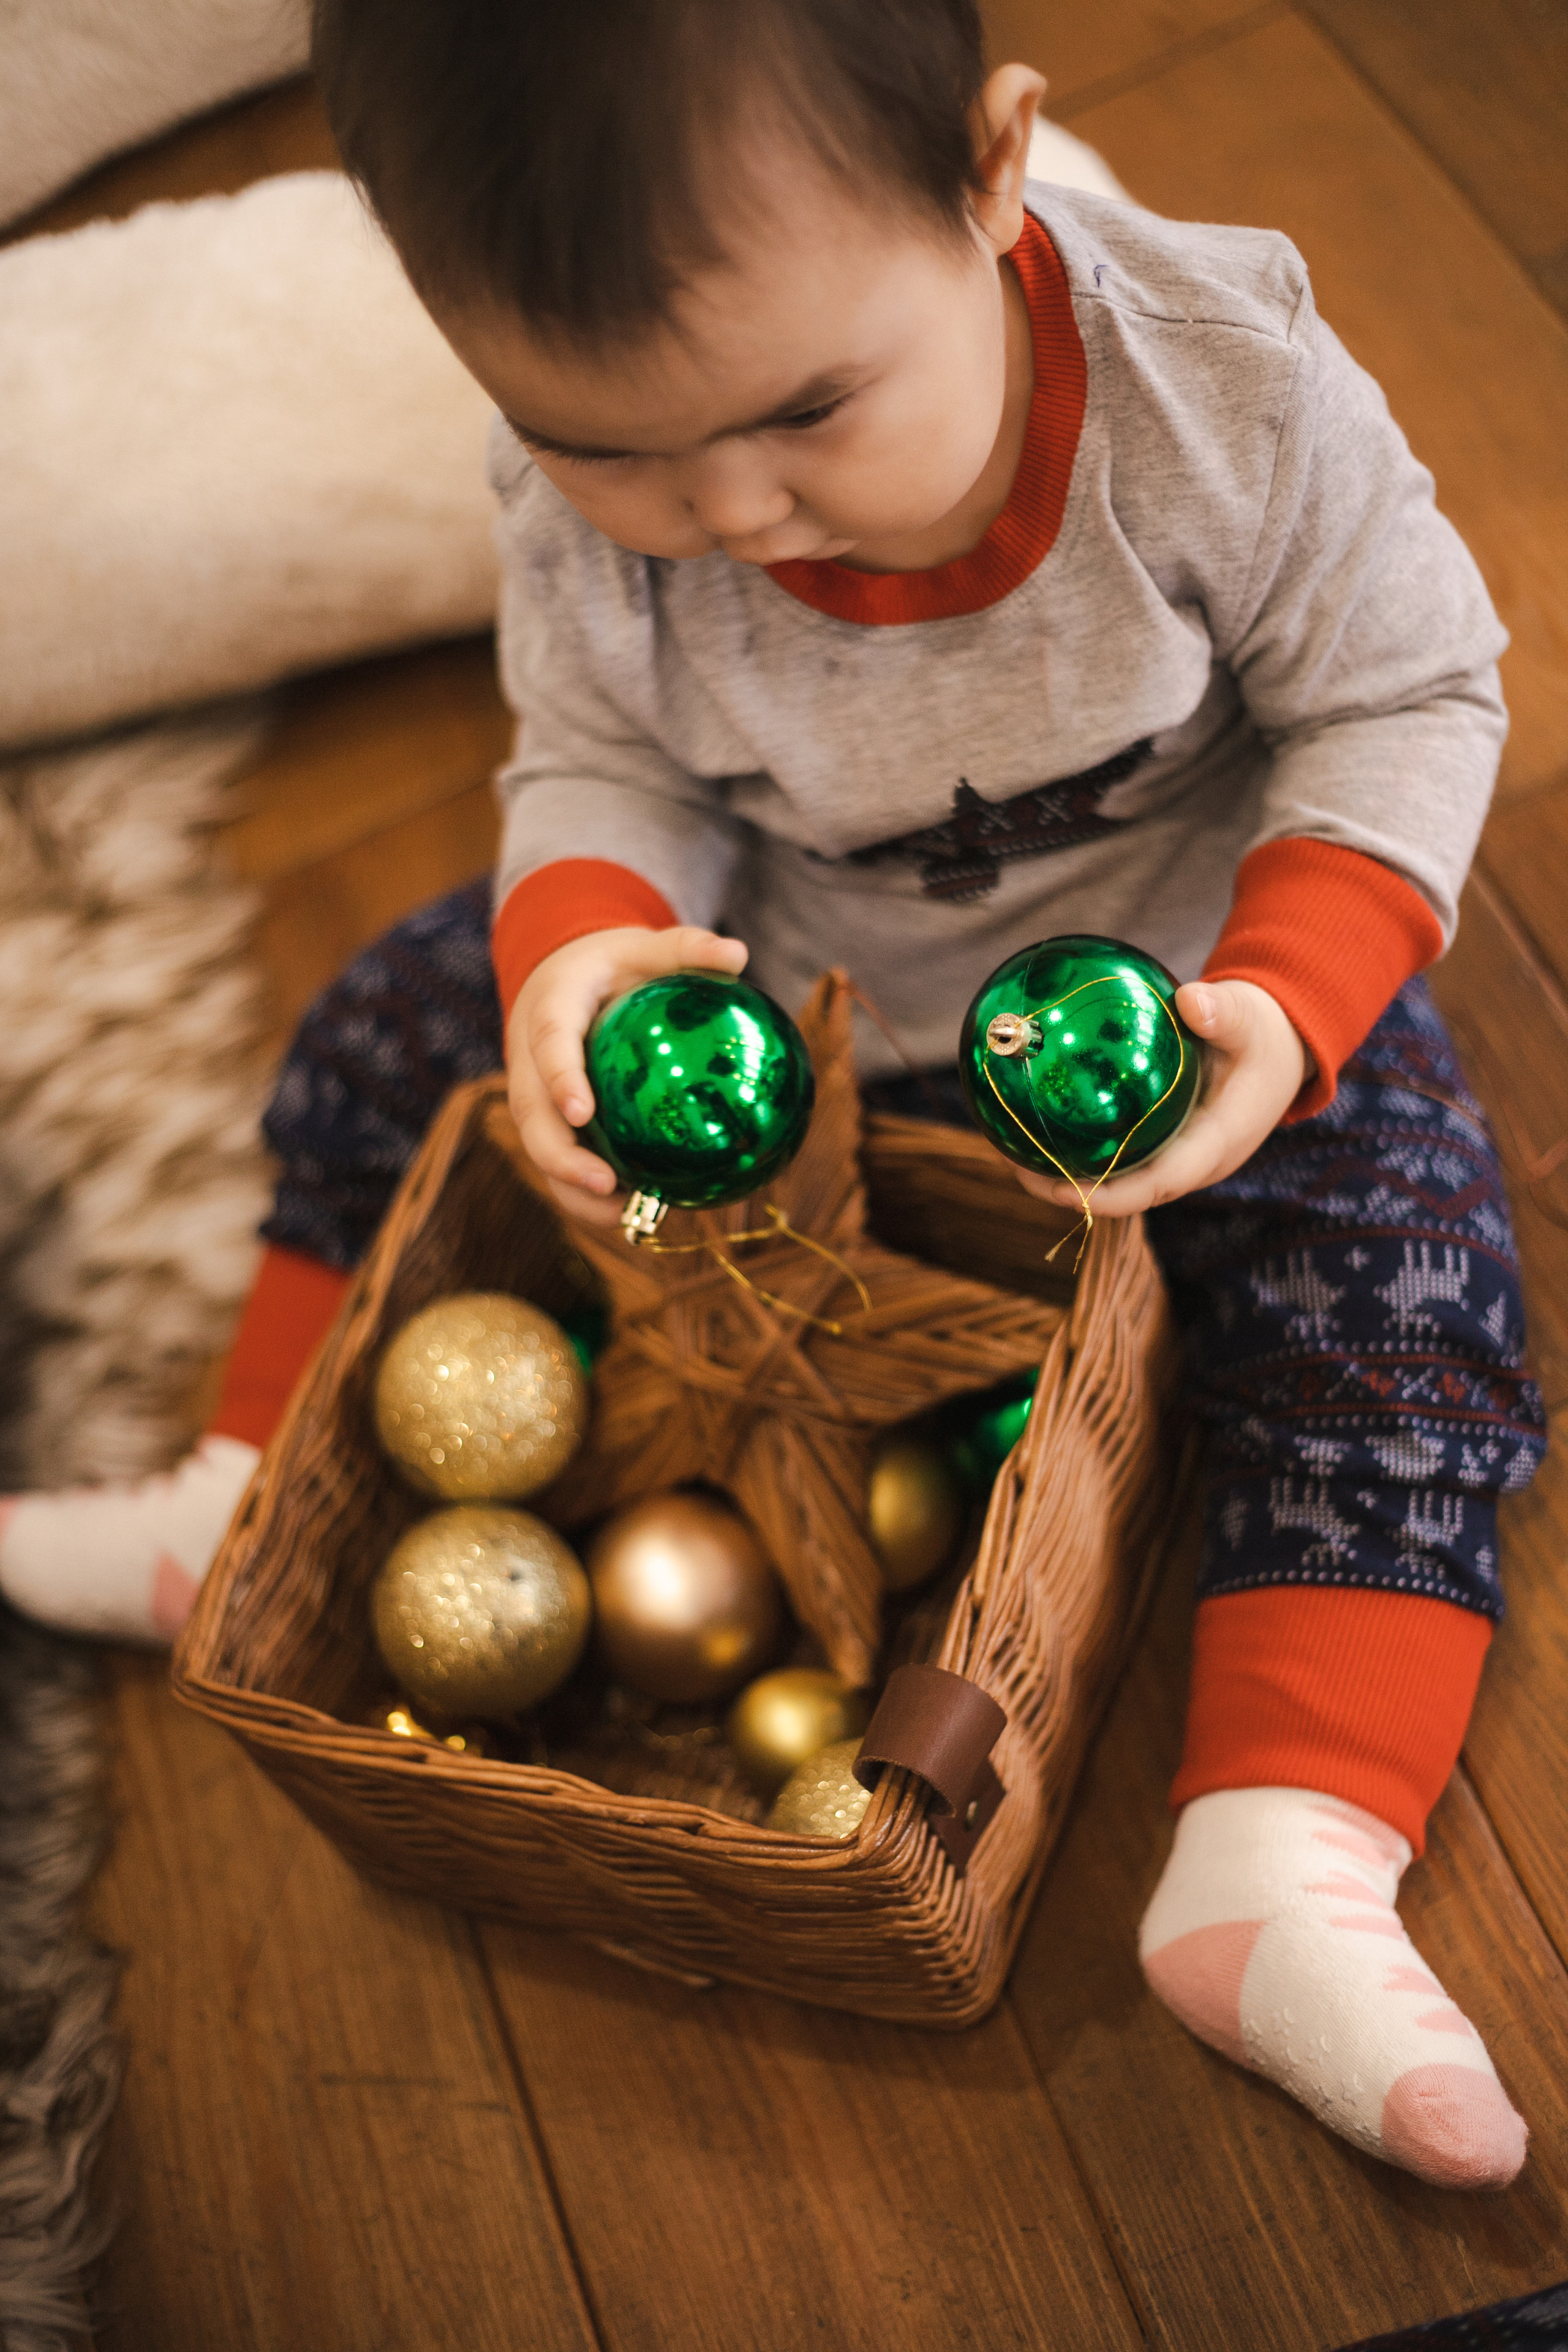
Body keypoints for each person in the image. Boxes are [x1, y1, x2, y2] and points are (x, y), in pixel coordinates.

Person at [1, 0, 1544, 2189]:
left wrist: (1289, 1005)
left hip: (1177, 998)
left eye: (809, 406)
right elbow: (604, 759)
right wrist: (585, 953)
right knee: (384, 1020)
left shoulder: (1223, 384)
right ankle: (251, 1485)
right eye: (605, 444)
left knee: (1401, 1291)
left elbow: (1406, 693)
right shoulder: (583, 502)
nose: (724, 509)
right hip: (777, 992)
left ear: (996, 172)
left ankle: (1283, 1855)